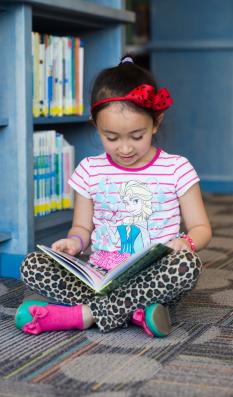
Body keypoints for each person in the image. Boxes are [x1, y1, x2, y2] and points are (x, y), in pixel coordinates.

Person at [15, 56, 212, 337]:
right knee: (32, 265)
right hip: (101, 275)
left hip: (153, 276)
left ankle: (82, 315)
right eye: (111, 137)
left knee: (187, 266)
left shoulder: (177, 168)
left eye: (136, 136)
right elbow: (82, 227)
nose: (125, 148)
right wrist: (74, 242)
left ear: (156, 122)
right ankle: (136, 312)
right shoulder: (89, 170)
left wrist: (187, 242)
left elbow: (202, 229)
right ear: (95, 126)